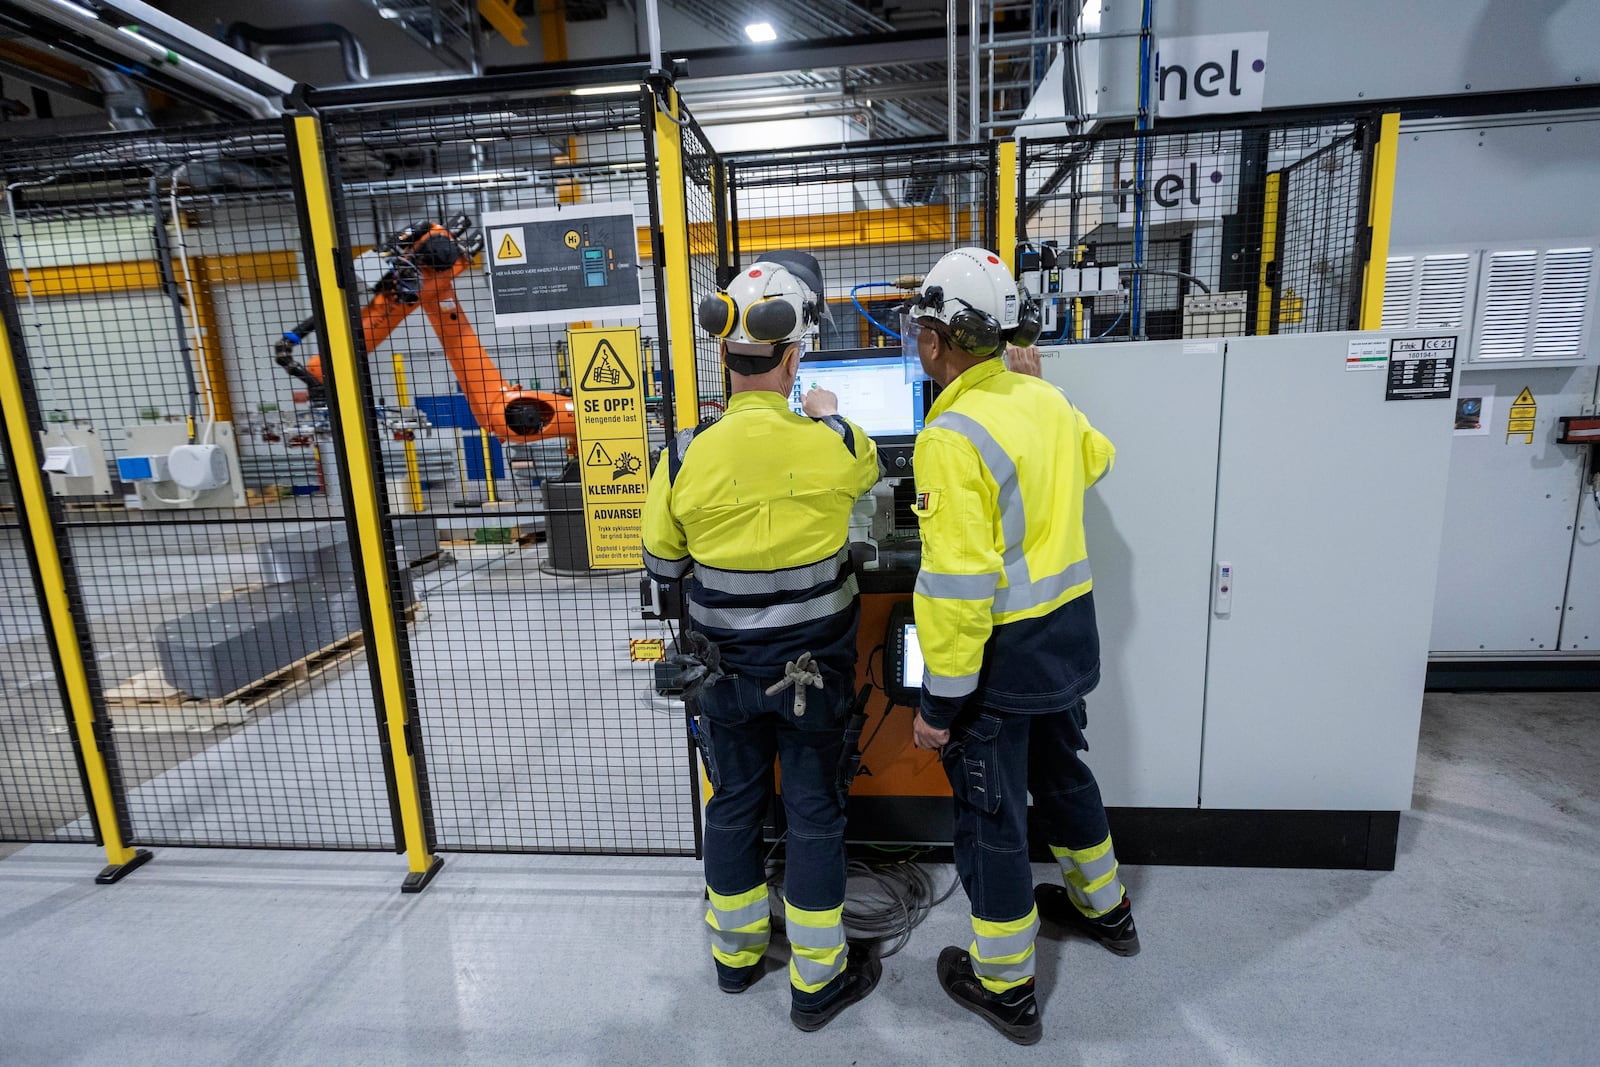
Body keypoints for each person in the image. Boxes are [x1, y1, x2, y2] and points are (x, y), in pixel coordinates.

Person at [641, 252, 883, 1032]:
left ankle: (737, 957)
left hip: (722, 680)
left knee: (735, 805)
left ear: (724, 353)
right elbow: (871, 479)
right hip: (815, 677)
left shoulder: (683, 454)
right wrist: (827, 412)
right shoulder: (836, 442)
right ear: (793, 354)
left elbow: (662, 563)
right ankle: (818, 981)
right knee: (813, 812)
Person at [904, 247, 1138, 1045]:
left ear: (939, 340)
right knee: (1066, 776)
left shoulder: (950, 434)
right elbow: (1096, 458)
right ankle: (1107, 911)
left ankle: (1004, 985)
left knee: (991, 817)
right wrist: (1040, 393)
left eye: (920, 330)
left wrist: (938, 705)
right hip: (1065, 643)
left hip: (998, 667)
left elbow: (961, 589)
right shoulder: (1044, 400)